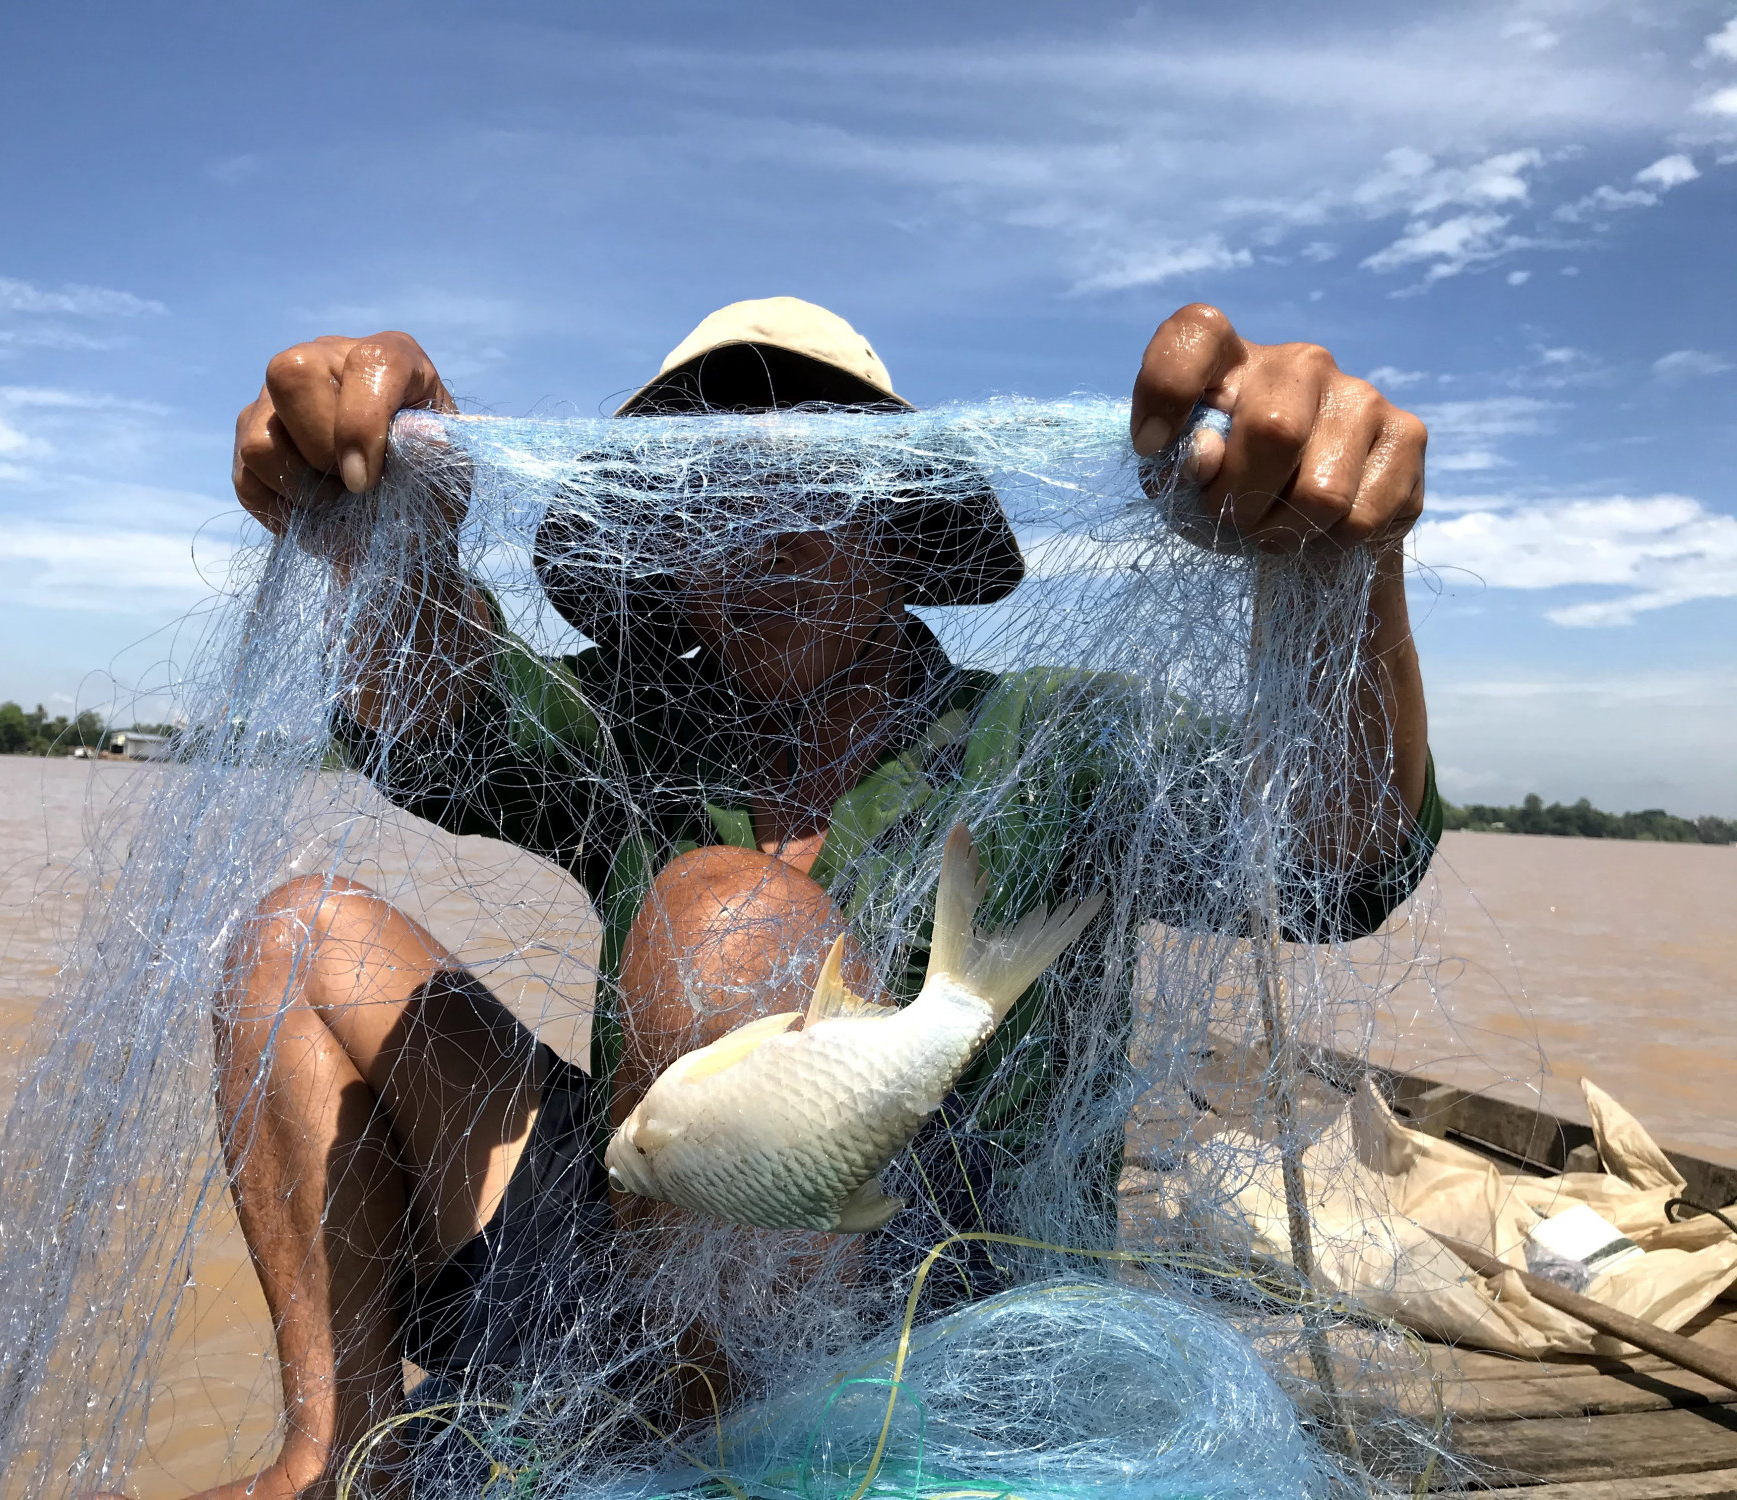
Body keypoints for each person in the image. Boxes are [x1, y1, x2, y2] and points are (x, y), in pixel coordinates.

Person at [201, 297, 1434, 1499]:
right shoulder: (636, 730)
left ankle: (736, 1478)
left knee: (727, 931)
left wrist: (1335, 567)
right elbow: (430, 719)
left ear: (899, 530)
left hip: (926, 1334)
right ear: (666, 556)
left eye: (817, 491)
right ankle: (332, 1454)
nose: (765, 539)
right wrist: (389, 517)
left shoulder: (1048, 732)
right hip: (625, 1287)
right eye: (712, 501)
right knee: (298, 937)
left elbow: (1332, 859)